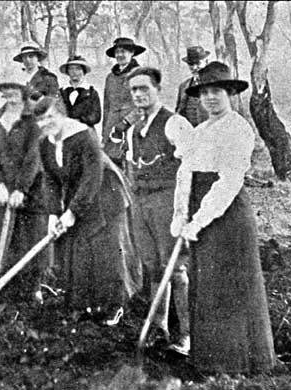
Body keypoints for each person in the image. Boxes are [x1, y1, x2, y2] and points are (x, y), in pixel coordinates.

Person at [173, 61, 276, 373]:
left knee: (228, 288)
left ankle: (236, 365)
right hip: (198, 215)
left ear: (230, 93)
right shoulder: (199, 130)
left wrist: (199, 220)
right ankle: (207, 360)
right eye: (205, 93)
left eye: (217, 91)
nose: (210, 98)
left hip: (227, 215)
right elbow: (184, 174)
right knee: (205, 284)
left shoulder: (238, 128)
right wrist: (179, 215)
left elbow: (229, 181)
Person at [109, 67, 193, 355]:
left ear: (158, 90)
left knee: (176, 268)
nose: (139, 95)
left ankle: (186, 336)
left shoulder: (175, 124)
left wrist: (185, 209)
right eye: (134, 90)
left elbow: (190, 168)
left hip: (168, 200)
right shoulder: (132, 130)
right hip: (142, 203)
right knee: (154, 267)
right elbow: (131, 168)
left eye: (144, 88)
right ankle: (160, 328)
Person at [34, 97, 142, 322]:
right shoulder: (45, 144)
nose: (46, 124)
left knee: (107, 251)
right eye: (41, 120)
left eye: (51, 117)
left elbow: (92, 177)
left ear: (63, 115)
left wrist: (73, 212)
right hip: (80, 194)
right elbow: (50, 180)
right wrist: (54, 213)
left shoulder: (84, 136)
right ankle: (83, 304)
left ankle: (115, 306)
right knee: (79, 249)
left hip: (106, 194)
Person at [0, 82, 48, 301]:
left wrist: (21, 189)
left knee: (31, 236)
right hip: (0, 189)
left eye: (15, 89)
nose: (11, 94)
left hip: (31, 186)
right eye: (6, 90)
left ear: (24, 91)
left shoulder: (33, 120)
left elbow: (33, 157)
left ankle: (33, 287)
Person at [102, 37, 145, 145]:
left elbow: (143, 105)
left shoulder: (140, 75)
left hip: (133, 125)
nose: (119, 55)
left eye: (123, 51)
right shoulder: (110, 77)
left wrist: (126, 121)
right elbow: (107, 105)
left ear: (132, 53)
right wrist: (105, 131)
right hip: (112, 127)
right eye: (117, 52)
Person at [58, 55, 101, 128]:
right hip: (64, 131)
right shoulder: (61, 92)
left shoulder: (91, 93)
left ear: (83, 71)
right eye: (71, 69)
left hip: (85, 131)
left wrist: (81, 120)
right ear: (67, 72)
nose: (74, 72)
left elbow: (96, 116)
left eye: (78, 69)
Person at [175, 46, 210, 127]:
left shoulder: (216, 85)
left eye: (198, 63)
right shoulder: (183, 86)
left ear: (206, 62)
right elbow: (178, 113)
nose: (194, 67)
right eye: (191, 64)